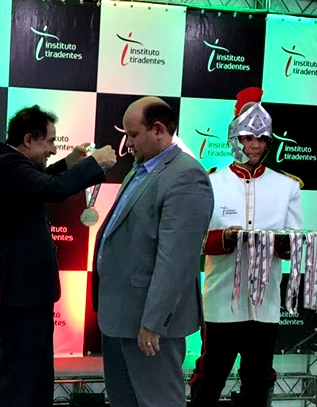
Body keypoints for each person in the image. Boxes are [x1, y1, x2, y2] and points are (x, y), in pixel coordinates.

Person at [0, 104, 117, 407]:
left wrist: (69, 162)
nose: (54, 149)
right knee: (18, 379)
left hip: (30, 290)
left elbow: (39, 181)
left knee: (38, 376)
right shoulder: (6, 165)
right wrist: (94, 164)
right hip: (21, 292)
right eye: (51, 141)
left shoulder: (13, 164)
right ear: (29, 140)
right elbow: (52, 189)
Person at [92, 96, 214, 407]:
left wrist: (154, 322)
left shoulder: (186, 176)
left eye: (133, 134)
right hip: (121, 316)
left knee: (159, 401)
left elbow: (176, 261)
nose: (128, 143)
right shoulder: (139, 170)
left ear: (158, 129)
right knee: (123, 400)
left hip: (148, 323)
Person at [189, 87, 303, 407]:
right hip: (221, 302)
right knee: (210, 376)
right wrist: (224, 238)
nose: (255, 145)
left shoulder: (287, 186)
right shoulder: (211, 183)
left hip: (265, 306)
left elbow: (294, 248)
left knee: (259, 378)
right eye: (248, 138)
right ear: (235, 139)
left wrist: (284, 242)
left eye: (262, 138)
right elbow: (194, 240)